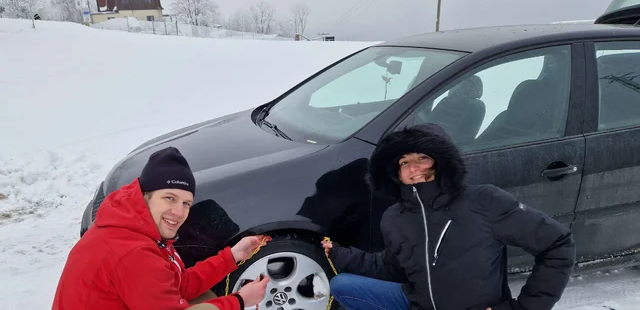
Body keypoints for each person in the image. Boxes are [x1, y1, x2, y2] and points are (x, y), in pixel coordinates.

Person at [321, 123, 576, 310]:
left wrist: (521, 308)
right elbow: (392, 269)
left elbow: (557, 245)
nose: (414, 168)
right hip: (418, 304)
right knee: (343, 285)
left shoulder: (483, 201)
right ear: (396, 172)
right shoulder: (394, 217)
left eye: (422, 157)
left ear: (441, 161)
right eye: (404, 162)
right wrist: (340, 254)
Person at [52, 146, 270, 310]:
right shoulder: (133, 253)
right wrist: (241, 300)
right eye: (169, 198)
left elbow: (177, 285)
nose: (178, 211)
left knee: (206, 298)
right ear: (146, 196)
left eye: (186, 203)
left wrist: (231, 256)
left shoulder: (136, 229)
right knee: (211, 302)